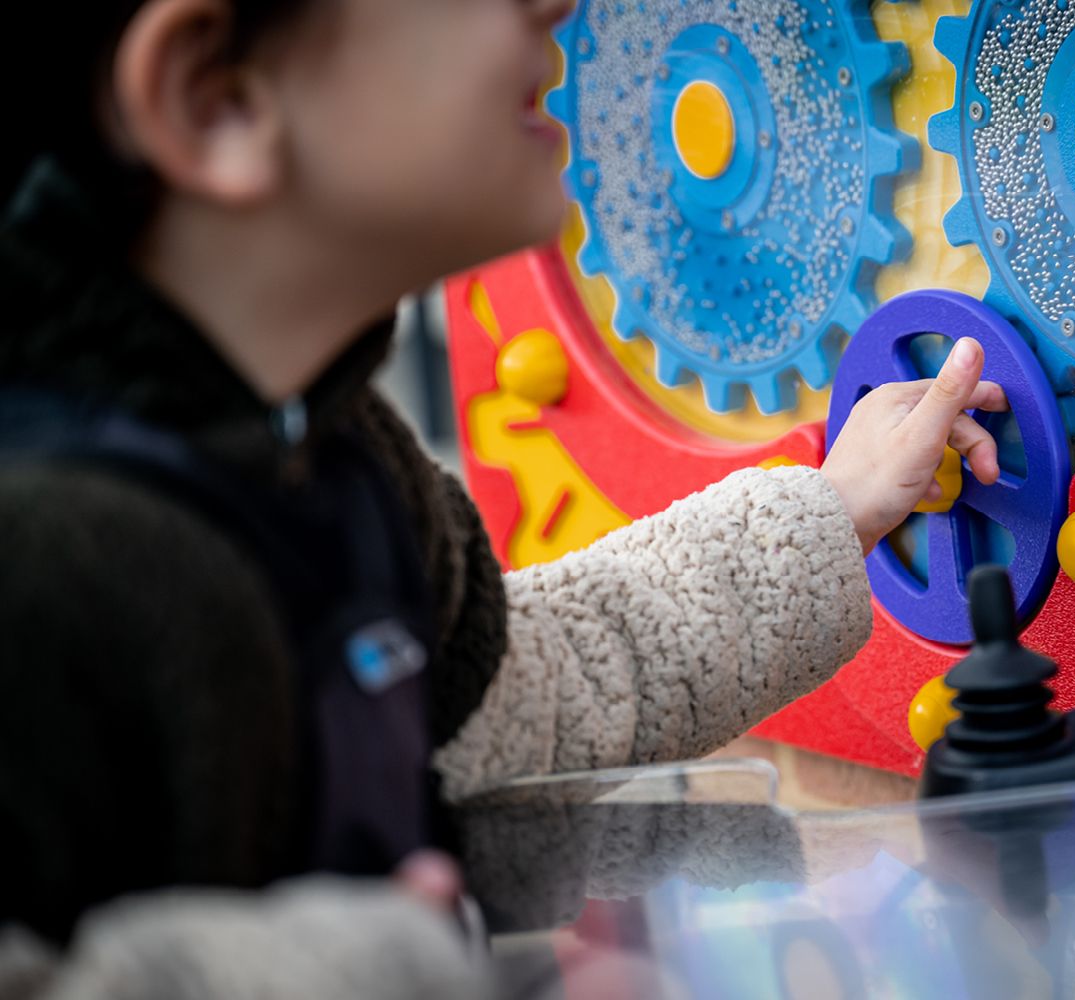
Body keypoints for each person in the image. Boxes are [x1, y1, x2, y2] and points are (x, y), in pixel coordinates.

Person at [0, 0, 1006, 989]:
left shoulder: (345, 461)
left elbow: (540, 692)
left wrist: (832, 508)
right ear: (210, 95)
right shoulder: (45, 554)